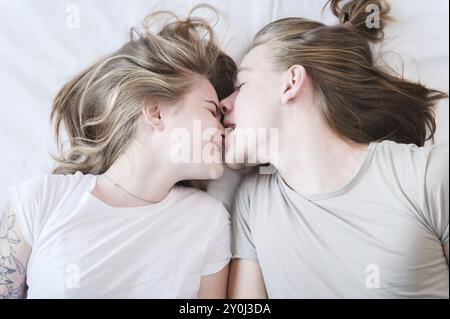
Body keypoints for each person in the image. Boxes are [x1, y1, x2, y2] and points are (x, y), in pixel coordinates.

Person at [0, 8, 237, 299]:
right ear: (155, 112)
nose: (223, 131)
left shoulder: (208, 221)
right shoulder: (39, 201)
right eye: (212, 111)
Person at [222, 0, 449, 298]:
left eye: (241, 85)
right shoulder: (252, 203)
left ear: (291, 83)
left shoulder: (426, 175)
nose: (224, 103)